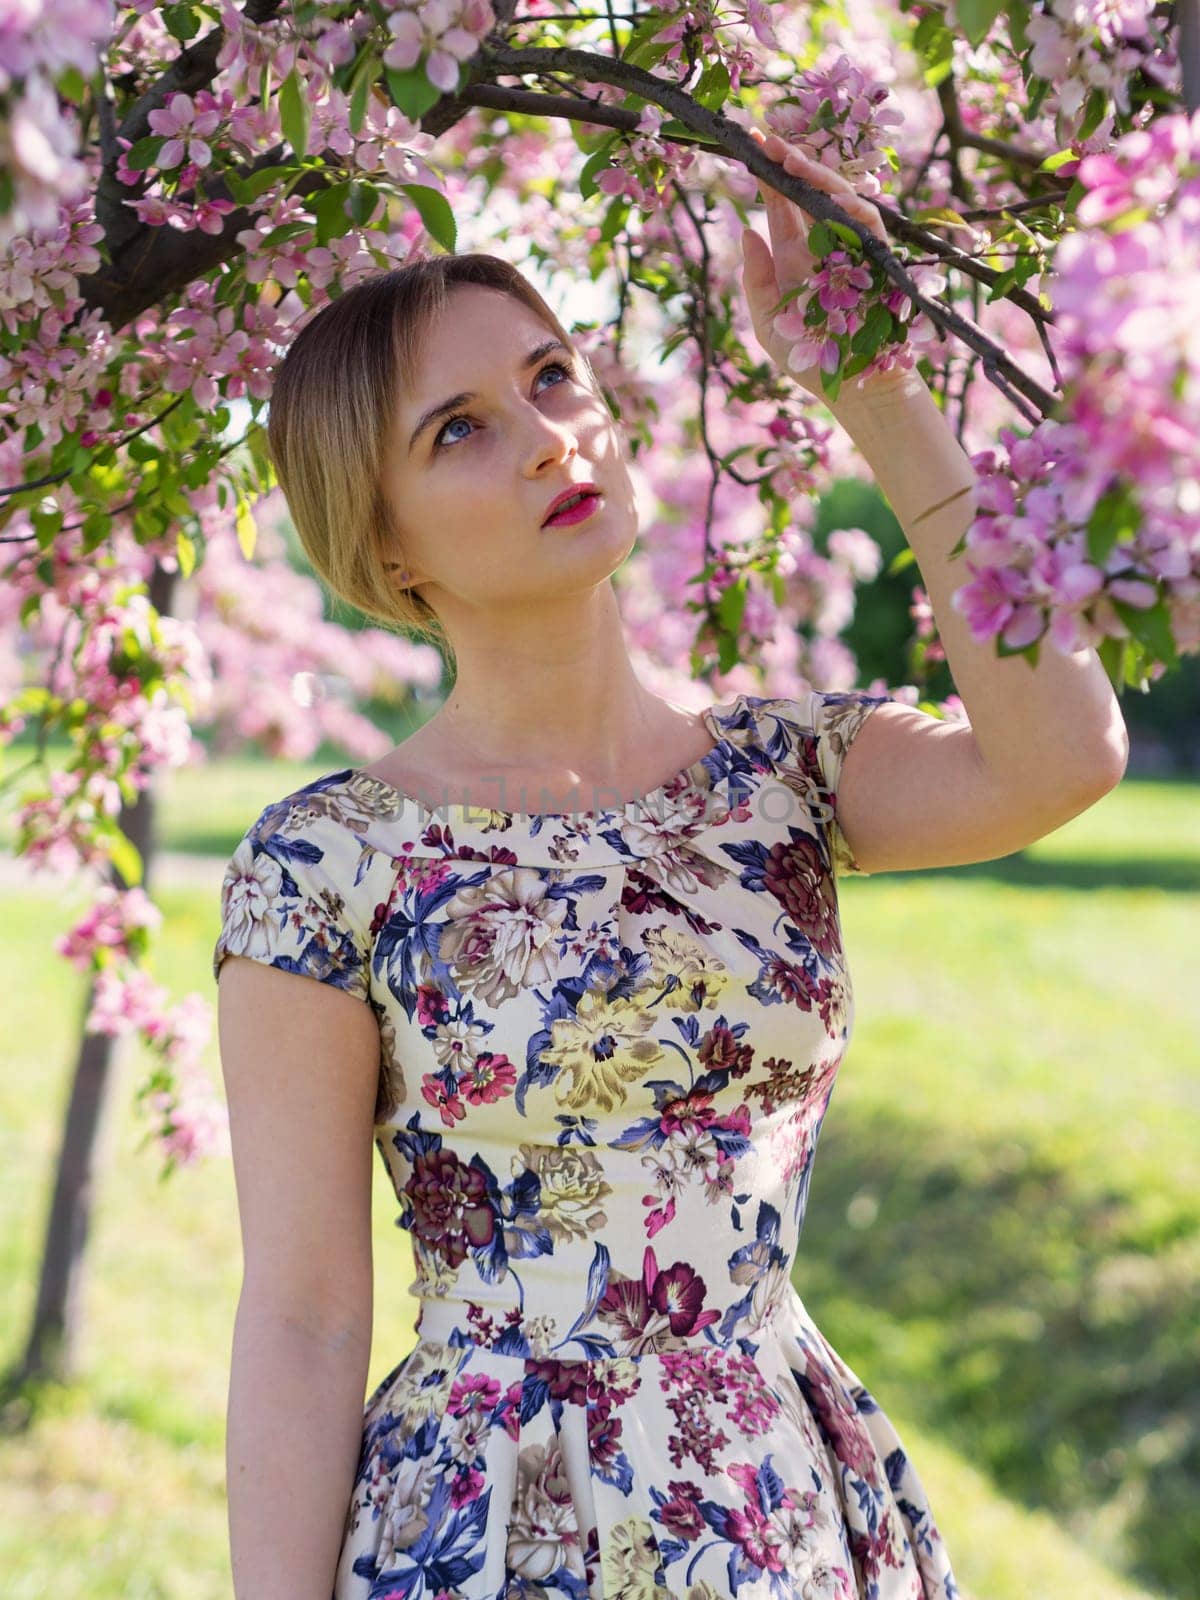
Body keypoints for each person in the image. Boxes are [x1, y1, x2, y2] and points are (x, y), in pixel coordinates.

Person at [213, 151, 1127, 1600]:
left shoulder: (785, 774)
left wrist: (876, 392)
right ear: (382, 547)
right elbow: (309, 1315)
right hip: (494, 1523)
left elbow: (1061, 755)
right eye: (458, 429)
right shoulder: (324, 864)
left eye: (554, 378)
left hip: (776, 1498)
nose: (544, 440)